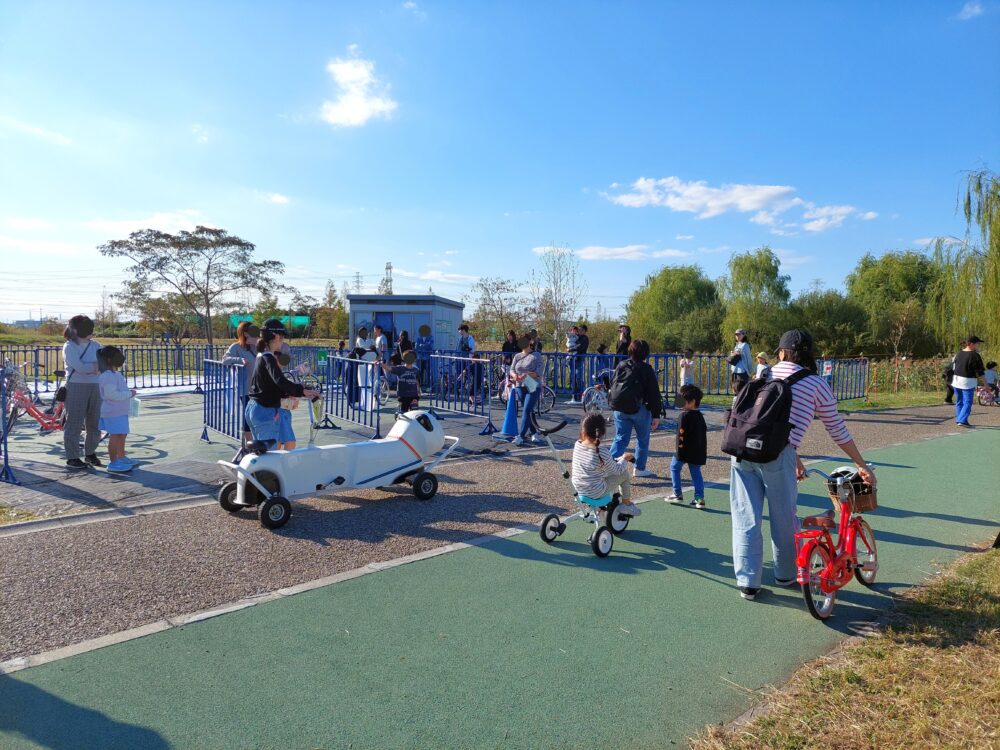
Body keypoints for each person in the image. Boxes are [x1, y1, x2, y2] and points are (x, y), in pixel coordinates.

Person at [729, 328, 876, 601]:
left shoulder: (764, 374)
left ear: (782, 352)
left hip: (741, 451)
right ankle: (786, 575)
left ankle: (747, 582)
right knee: (784, 517)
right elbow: (837, 430)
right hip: (777, 455)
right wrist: (861, 464)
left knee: (745, 518)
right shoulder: (816, 384)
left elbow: (757, 420)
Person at [246, 319, 321, 451]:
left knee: (263, 455)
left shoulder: (260, 356)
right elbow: (280, 380)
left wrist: (293, 392)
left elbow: (270, 385)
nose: (283, 341)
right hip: (264, 411)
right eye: (282, 338)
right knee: (271, 457)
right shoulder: (268, 358)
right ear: (276, 336)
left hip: (253, 407)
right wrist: (302, 391)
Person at [608, 339, 663, 478]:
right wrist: (656, 414)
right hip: (639, 409)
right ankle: (639, 468)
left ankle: (608, 466)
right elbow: (654, 393)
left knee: (620, 438)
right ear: (646, 353)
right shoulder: (646, 369)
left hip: (619, 408)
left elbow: (612, 384)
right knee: (642, 439)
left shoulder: (621, 365)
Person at [572, 413, 641, 518]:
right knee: (625, 474)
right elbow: (617, 470)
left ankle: (600, 509)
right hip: (595, 492)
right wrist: (625, 459)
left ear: (583, 430)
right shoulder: (601, 452)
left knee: (598, 475)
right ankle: (626, 504)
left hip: (578, 488)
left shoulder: (577, 444)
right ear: (602, 432)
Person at [62, 314, 103, 470]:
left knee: (95, 421)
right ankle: (72, 456)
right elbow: (80, 367)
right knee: (74, 422)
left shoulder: (96, 345)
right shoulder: (69, 346)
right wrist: (95, 367)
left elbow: (105, 363)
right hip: (76, 386)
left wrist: (93, 367)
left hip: (96, 386)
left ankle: (90, 453)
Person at [97, 346, 137, 474]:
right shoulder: (108, 376)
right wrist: (129, 394)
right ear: (109, 360)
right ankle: (113, 462)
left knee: (122, 433)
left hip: (119, 411)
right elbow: (111, 394)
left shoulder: (115, 374)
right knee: (115, 435)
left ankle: (121, 457)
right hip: (112, 412)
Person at [222, 321, 260, 452]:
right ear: (244, 333)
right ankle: (249, 445)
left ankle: (257, 442)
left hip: (260, 388)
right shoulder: (236, 347)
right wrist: (239, 360)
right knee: (248, 417)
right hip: (245, 389)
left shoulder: (257, 346)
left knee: (259, 415)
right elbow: (225, 360)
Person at [667, 384, 707, 508]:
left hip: (684, 451)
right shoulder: (700, 416)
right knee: (696, 473)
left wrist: (679, 453)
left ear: (692, 402)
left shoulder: (683, 416)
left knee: (674, 467)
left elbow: (681, 436)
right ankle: (699, 499)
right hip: (698, 451)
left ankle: (677, 493)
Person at [507, 335, 544, 446]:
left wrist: (526, 375)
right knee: (528, 410)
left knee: (527, 410)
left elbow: (539, 371)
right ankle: (534, 432)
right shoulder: (517, 356)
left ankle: (521, 435)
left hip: (532, 384)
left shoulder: (536, 355)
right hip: (520, 385)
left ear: (529, 342)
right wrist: (515, 376)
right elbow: (512, 369)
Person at [951, 335, 986, 427]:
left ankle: (961, 420)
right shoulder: (975, 355)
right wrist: (985, 384)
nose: (978, 345)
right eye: (977, 344)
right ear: (971, 344)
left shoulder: (958, 353)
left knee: (959, 401)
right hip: (967, 382)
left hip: (956, 380)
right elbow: (980, 371)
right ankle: (961, 420)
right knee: (968, 402)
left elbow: (954, 367)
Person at [729, 329, 752, 394]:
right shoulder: (737, 345)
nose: (737, 336)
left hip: (742, 371)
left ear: (743, 335)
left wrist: (750, 370)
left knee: (742, 390)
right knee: (735, 389)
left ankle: (741, 402)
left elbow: (748, 358)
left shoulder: (745, 345)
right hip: (735, 370)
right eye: (736, 335)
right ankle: (736, 402)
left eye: (739, 334)